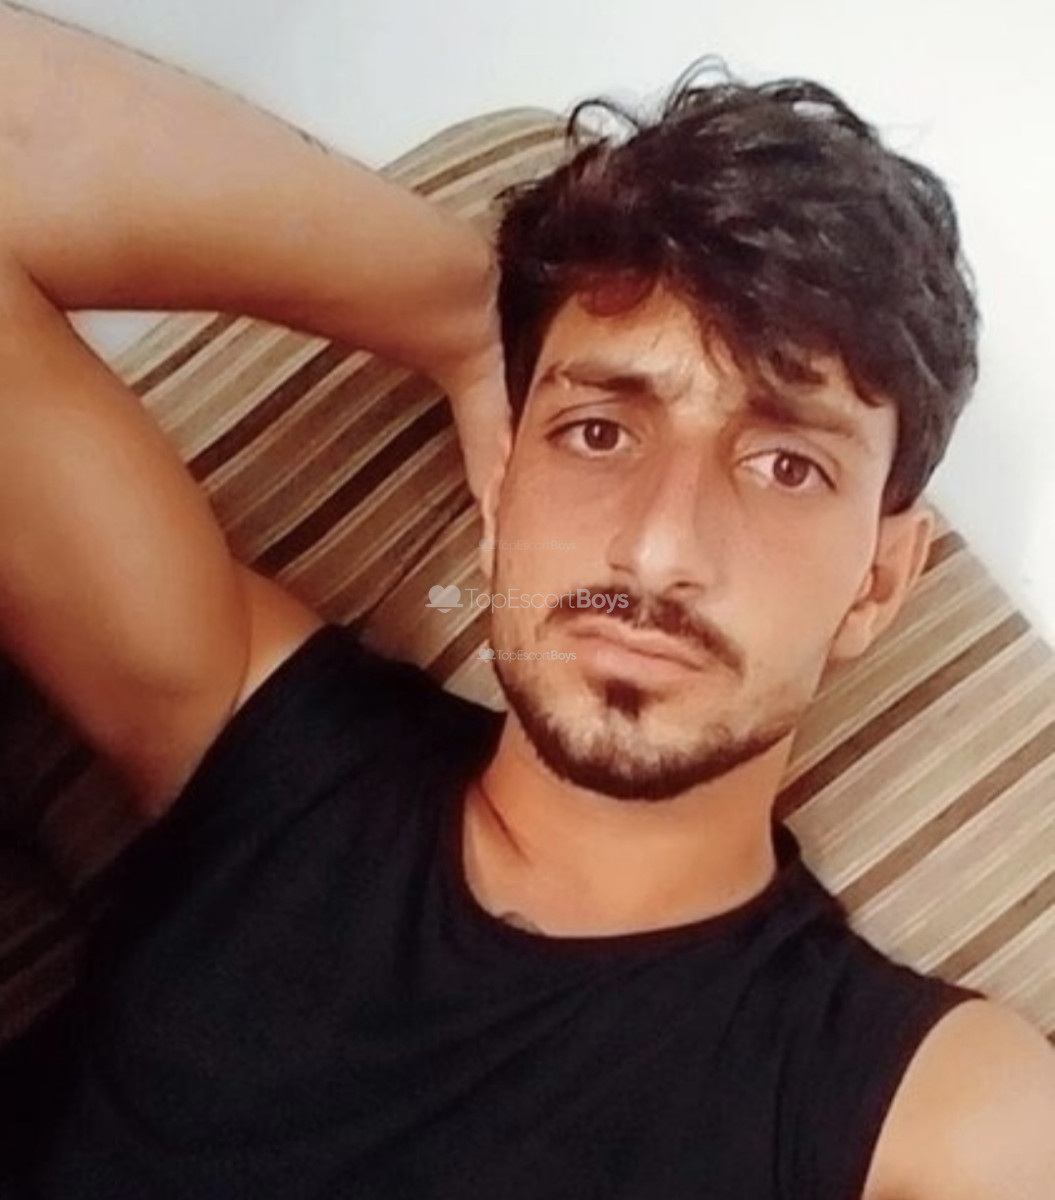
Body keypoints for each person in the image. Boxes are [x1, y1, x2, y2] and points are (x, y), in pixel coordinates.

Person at [0, 3, 1051, 1198]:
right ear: (504, 481)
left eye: (783, 465)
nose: (658, 547)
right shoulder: (270, 743)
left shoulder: (937, 1109)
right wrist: (466, 319)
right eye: (597, 430)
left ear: (875, 584)